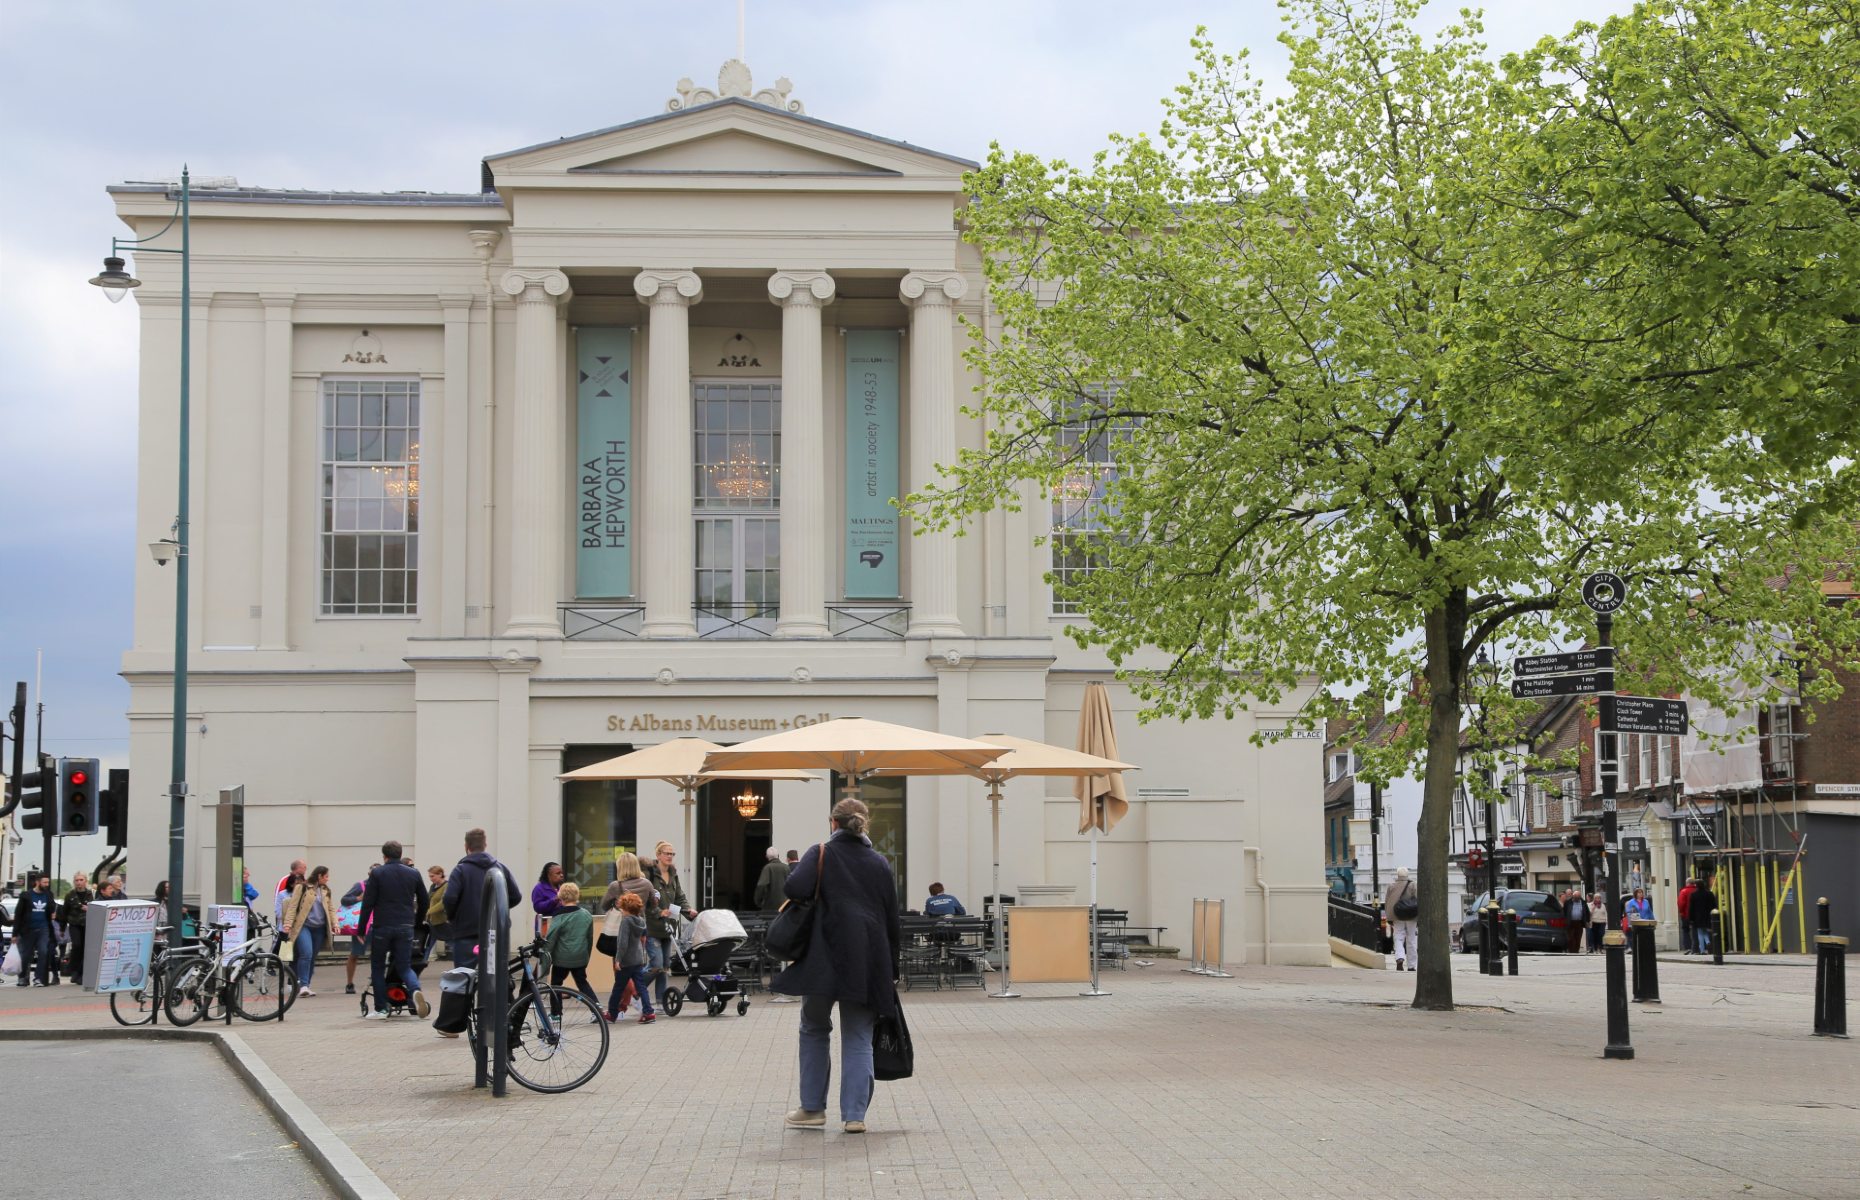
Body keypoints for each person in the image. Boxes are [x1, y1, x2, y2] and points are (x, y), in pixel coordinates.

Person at [773, 798, 901, 1135]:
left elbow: (794, 888)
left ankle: (812, 1109)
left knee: (813, 1028)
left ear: (833, 823)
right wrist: (893, 970)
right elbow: (891, 920)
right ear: (864, 824)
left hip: (822, 960)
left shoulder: (821, 852)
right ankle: (854, 1116)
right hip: (867, 962)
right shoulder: (879, 863)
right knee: (859, 1036)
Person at [357, 840, 429, 1020]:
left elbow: (368, 903)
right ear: (400, 853)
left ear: (384, 856)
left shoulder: (378, 873)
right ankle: (415, 990)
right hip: (406, 926)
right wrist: (417, 921)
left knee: (378, 967)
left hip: (383, 926)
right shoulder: (413, 873)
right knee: (404, 966)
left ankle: (381, 1008)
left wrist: (361, 929)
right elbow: (424, 900)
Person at [443, 827, 522, 971]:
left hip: (466, 932)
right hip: (495, 932)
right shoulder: (500, 868)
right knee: (497, 976)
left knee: (464, 978)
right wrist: (497, 908)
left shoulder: (460, 870)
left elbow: (449, 898)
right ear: (485, 845)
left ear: (466, 846)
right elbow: (516, 896)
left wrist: (453, 917)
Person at [642, 841, 694, 1012]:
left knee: (664, 967)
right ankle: (635, 988)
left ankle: (660, 1002)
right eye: (667, 853)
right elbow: (646, 901)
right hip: (652, 926)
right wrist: (658, 912)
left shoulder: (673, 874)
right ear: (658, 855)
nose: (670, 856)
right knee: (655, 965)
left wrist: (687, 911)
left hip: (668, 927)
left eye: (672, 854)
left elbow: (679, 897)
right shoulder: (649, 874)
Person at [543, 882, 597, 1018]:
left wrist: (545, 960)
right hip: (580, 957)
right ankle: (596, 1009)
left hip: (561, 958)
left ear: (560, 897)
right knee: (582, 982)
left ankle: (556, 1013)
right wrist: (586, 957)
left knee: (556, 984)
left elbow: (551, 939)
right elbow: (589, 939)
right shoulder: (586, 915)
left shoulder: (559, 916)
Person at [280, 866, 334, 996]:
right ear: (319, 876)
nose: (328, 879)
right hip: (304, 926)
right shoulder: (302, 888)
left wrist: (335, 924)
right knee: (306, 953)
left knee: (312, 957)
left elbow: (330, 909)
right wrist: (287, 924)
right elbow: (293, 906)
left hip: (319, 928)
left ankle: (306, 985)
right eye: (326, 876)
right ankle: (303, 985)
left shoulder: (326, 890)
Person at [607, 892, 655, 1024]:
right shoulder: (641, 921)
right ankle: (648, 1012)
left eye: (622, 908)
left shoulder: (626, 922)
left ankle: (612, 1013)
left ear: (626, 909)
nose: (621, 911)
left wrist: (618, 960)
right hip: (638, 959)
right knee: (641, 987)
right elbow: (643, 939)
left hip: (626, 961)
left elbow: (622, 943)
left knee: (618, 988)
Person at [14, 873, 58, 987]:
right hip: (28, 929)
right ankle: (22, 977)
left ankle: (38, 978)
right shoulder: (26, 895)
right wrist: (15, 933)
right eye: (44, 882)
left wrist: (54, 911)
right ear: (37, 882)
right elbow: (18, 914)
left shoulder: (48, 895)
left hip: (43, 928)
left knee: (43, 952)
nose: (46, 885)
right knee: (26, 955)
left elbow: (52, 907)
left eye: (48, 882)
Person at [60, 872, 93, 986]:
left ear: (85, 881)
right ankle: (73, 969)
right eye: (77, 880)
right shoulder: (70, 895)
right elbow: (64, 912)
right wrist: (62, 928)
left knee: (85, 948)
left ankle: (80, 973)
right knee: (77, 945)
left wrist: (90, 909)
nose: (79, 882)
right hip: (74, 924)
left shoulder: (90, 894)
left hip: (87, 924)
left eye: (81, 880)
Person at [1383, 867, 1418, 971]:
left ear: (1398, 875)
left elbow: (1387, 902)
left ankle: (1400, 958)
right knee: (1411, 939)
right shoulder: (1412, 885)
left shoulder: (1392, 886)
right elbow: (1418, 900)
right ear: (1407, 875)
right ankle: (1411, 965)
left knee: (1398, 937)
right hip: (1411, 915)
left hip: (1397, 915)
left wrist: (1389, 917)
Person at [341, 876, 368, 994]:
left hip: (378, 925)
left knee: (381, 955)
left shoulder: (385, 885)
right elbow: (344, 900)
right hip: (361, 924)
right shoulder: (361, 886)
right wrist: (358, 898)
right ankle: (349, 983)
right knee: (355, 954)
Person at [531, 862, 566, 937]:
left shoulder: (561, 888)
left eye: (562, 873)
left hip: (560, 925)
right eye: (558, 873)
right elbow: (537, 907)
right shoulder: (539, 888)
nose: (561, 875)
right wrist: (554, 900)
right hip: (546, 926)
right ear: (549, 876)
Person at [424, 865, 450, 961]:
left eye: (432, 876)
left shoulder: (447, 886)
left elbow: (443, 903)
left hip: (443, 922)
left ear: (440, 874)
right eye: (430, 876)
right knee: (426, 946)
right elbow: (429, 900)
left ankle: (464, 966)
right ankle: (418, 967)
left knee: (453, 943)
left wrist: (429, 911)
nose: (431, 879)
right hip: (432, 922)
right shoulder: (432, 886)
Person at [755, 847, 790, 912]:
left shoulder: (767, 868)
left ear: (767, 856)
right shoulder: (786, 868)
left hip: (770, 906)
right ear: (778, 855)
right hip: (785, 905)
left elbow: (761, 885)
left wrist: (758, 901)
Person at [1692, 874, 1719, 955]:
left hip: (1698, 916)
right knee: (1705, 931)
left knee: (1700, 932)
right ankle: (1707, 941)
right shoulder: (1709, 894)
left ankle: (1702, 950)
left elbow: (1691, 908)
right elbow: (1714, 905)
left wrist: (1690, 918)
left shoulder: (1694, 895)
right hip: (1708, 915)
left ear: (1696, 886)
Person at [1564, 888, 1588, 953]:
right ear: (1573, 896)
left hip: (1579, 922)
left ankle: (1576, 951)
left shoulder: (1583, 903)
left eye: (1578, 898)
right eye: (1575, 898)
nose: (1576, 899)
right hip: (1570, 922)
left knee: (1578, 938)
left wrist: (1587, 921)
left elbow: (1587, 912)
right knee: (1570, 938)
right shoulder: (1568, 902)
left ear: (1580, 897)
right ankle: (1571, 950)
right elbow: (1564, 912)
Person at [1677, 877, 1698, 954]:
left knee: (1686, 930)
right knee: (1696, 930)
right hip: (1696, 915)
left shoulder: (1684, 891)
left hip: (1686, 915)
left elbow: (1681, 904)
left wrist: (1681, 912)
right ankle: (1696, 947)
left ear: (1687, 883)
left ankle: (1688, 947)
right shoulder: (1697, 890)